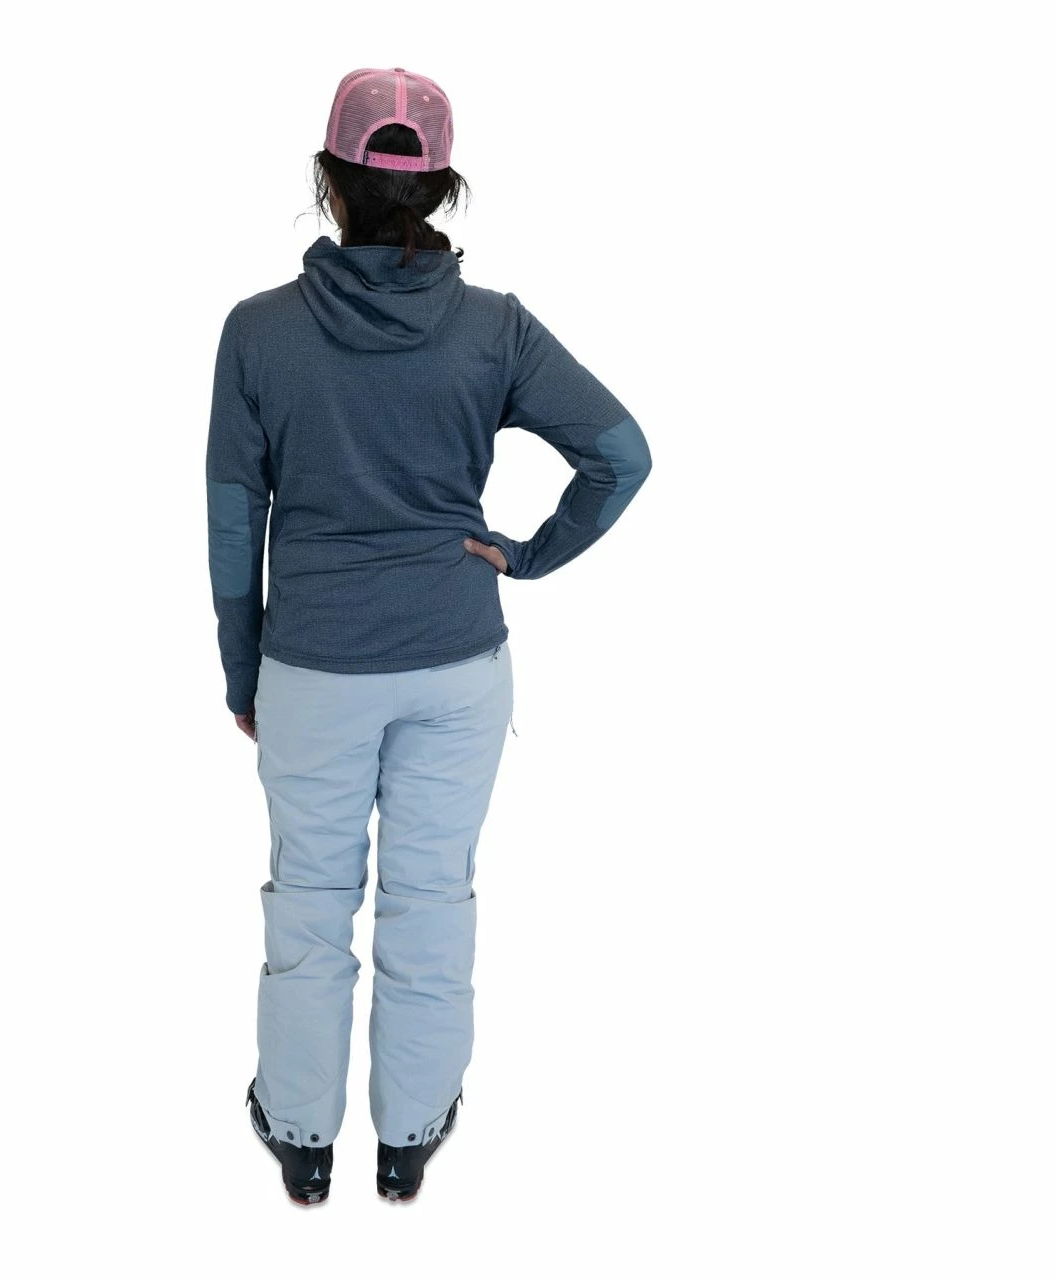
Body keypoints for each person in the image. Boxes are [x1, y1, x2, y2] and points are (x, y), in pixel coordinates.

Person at [205, 66, 653, 1205]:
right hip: (456, 664)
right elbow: (620, 455)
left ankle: (301, 1139)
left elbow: (232, 520)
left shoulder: (258, 332)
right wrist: (526, 556)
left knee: (309, 903)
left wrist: (243, 672)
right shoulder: (496, 330)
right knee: (430, 898)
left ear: (328, 179)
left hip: (312, 667)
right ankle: (406, 1139)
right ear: (444, 188)